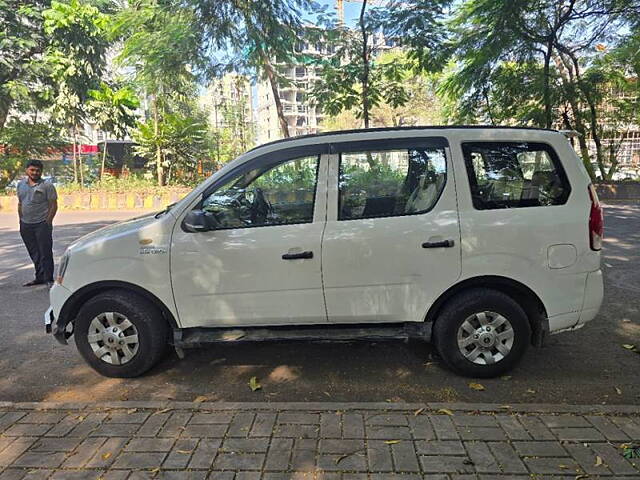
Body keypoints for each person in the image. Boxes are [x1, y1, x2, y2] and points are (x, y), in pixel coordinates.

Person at [17, 160, 58, 286]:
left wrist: (48, 221)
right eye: (32, 170)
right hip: (25, 224)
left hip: (41, 224)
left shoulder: (47, 185)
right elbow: (20, 203)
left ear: (41, 171)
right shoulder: (20, 185)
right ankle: (39, 277)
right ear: (27, 170)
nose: (35, 172)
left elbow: (53, 205)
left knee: (45, 252)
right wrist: (20, 220)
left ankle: (49, 279)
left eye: (37, 170)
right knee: (34, 252)